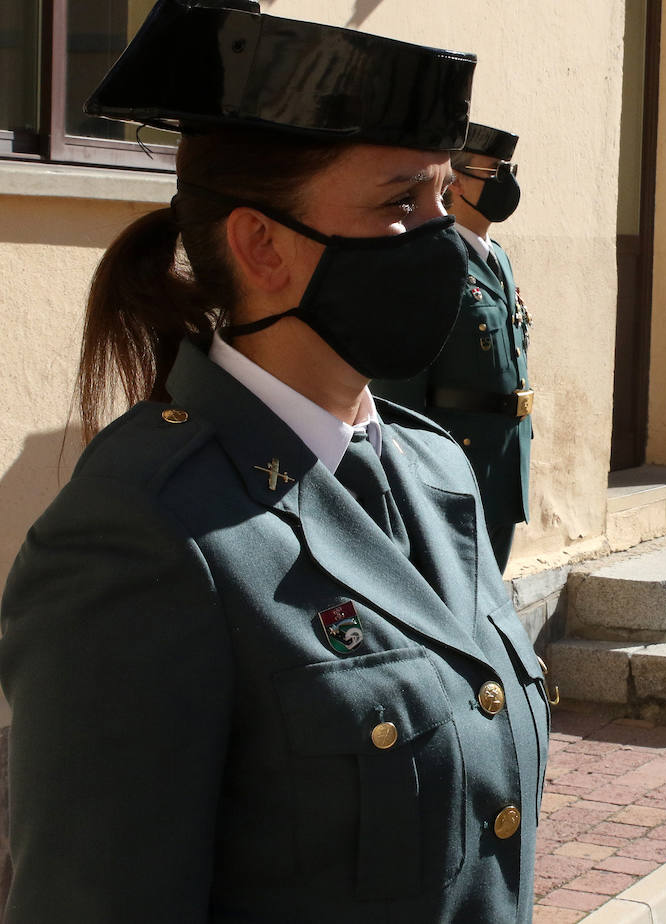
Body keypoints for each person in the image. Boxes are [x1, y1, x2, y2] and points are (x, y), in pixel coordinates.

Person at [0, 2, 550, 921]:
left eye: (442, 198)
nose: (445, 238)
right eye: (400, 204)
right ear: (263, 246)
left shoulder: (433, 469)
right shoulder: (150, 532)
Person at [372, 123, 533, 568]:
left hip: (504, 464)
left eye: (510, 170)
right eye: (495, 171)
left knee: (490, 601)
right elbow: (400, 386)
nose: (507, 183)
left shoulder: (496, 256)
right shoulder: (429, 260)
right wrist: (409, 474)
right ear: (456, 182)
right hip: (453, 466)